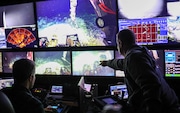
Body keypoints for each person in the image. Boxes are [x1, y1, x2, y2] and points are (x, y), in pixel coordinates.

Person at [100, 29, 180, 113]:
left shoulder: (134, 57)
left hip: (165, 109)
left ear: (120, 43)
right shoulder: (139, 53)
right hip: (169, 105)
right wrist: (107, 63)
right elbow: (121, 63)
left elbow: (151, 86)